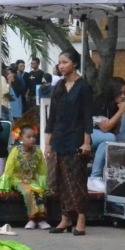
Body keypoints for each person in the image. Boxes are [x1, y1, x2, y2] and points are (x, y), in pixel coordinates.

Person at [46, 48, 93, 236]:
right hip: (59, 138)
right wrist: (48, 142)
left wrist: (87, 142)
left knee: (76, 180)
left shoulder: (83, 87)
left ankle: (81, 218)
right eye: (60, 63)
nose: (61, 66)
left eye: (65, 62)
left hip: (76, 138)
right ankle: (65, 218)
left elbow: (87, 116)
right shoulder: (58, 86)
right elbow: (52, 116)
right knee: (59, 180)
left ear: (74, 64)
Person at [0, 124, 49, 228]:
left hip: (31, 180)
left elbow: (42, 169)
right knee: (27, 192)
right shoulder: (15, 151)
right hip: (17, 180)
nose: (32, 139)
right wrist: (5, 185)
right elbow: (9, 168)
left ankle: (41, 218)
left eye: (33, 137)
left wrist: (43, 183)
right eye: (29, 137)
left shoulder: (37, 151)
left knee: (39, 191)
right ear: (20, 138)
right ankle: (32, 218)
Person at [87, 77, 125, 189]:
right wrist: (120, 111)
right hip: (86, 134)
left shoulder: (115, 105)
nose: (123, 96)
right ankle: (94, 177)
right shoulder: (99, 103)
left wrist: (119, 113)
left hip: (103, 135)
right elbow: (105, 128)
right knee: (109, 138)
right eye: (120, 93)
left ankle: (119, 174)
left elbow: (116, 130)